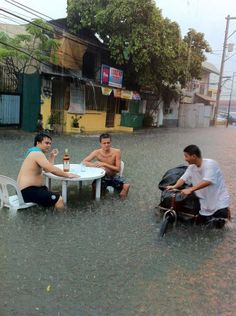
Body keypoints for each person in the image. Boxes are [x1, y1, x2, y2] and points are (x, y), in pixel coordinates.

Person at [166, 144, 231, 224]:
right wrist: (174, 186)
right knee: (202, 228)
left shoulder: (210, 164)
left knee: (219, 232)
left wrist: (190, 189)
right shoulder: (191, 167)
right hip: (205, 207)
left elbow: (208, 181)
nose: (185, 159)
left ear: (193, 156)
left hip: (219, 204)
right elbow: (183, 179)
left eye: (186, 156)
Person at [17, 132, 79, 209]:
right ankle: (61, 219)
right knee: (58, 199)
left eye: (50, 143)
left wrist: (52, 156)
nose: (49, 145)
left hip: (23, 191)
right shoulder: (37, 153)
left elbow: (46, 169)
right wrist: (68, 175)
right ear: (38, 142)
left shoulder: (32, 152)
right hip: (27, 191)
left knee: (52, 194)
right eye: (46, 143)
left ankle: (46, 216)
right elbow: (51, 169)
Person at [82, 133, 130, 198]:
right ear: (100, 144)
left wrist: (104, 164)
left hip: (113, 176)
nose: (106, 145)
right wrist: (94, 165)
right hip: (101, 177)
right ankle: (97, 201)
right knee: (94, 186)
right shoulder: (97, 152)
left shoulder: (116, 152)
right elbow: (84, 162)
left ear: (111, 143)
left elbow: (118, 169)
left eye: (108, 143)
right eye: (104, 143)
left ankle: (122, 201)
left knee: (123, 188)